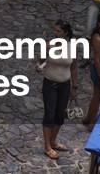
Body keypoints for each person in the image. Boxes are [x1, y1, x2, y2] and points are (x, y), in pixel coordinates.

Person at [38, 20, 79, 160]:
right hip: (50, 84)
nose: (55, 33)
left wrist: (74, 87)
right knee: (49, 113)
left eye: (58, 31)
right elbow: (41, 60)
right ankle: (47, 146)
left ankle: (53, 141)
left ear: (65, 32)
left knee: (60, 114)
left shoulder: (71, 47)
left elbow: (73, 67)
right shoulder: (49, 45)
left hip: (65, 85)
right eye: (54, 31)